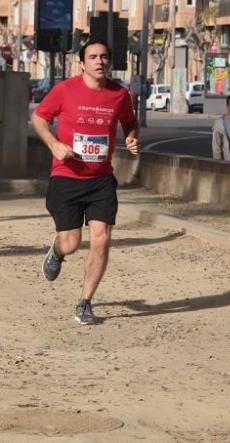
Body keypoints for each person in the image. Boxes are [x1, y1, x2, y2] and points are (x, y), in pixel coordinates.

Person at [32, 38, 140, 325]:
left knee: (101, 239)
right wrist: (54, 144)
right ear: (82, 63)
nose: (100, 61)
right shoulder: (64, 90)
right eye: (93, 57)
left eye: (104, 56)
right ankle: (57, 250)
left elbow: (129, 122)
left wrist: (131, 136)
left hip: (101, 180)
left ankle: (85, 302)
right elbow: (39, 118)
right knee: (70, 243)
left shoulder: (120, 94)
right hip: (67, 177)